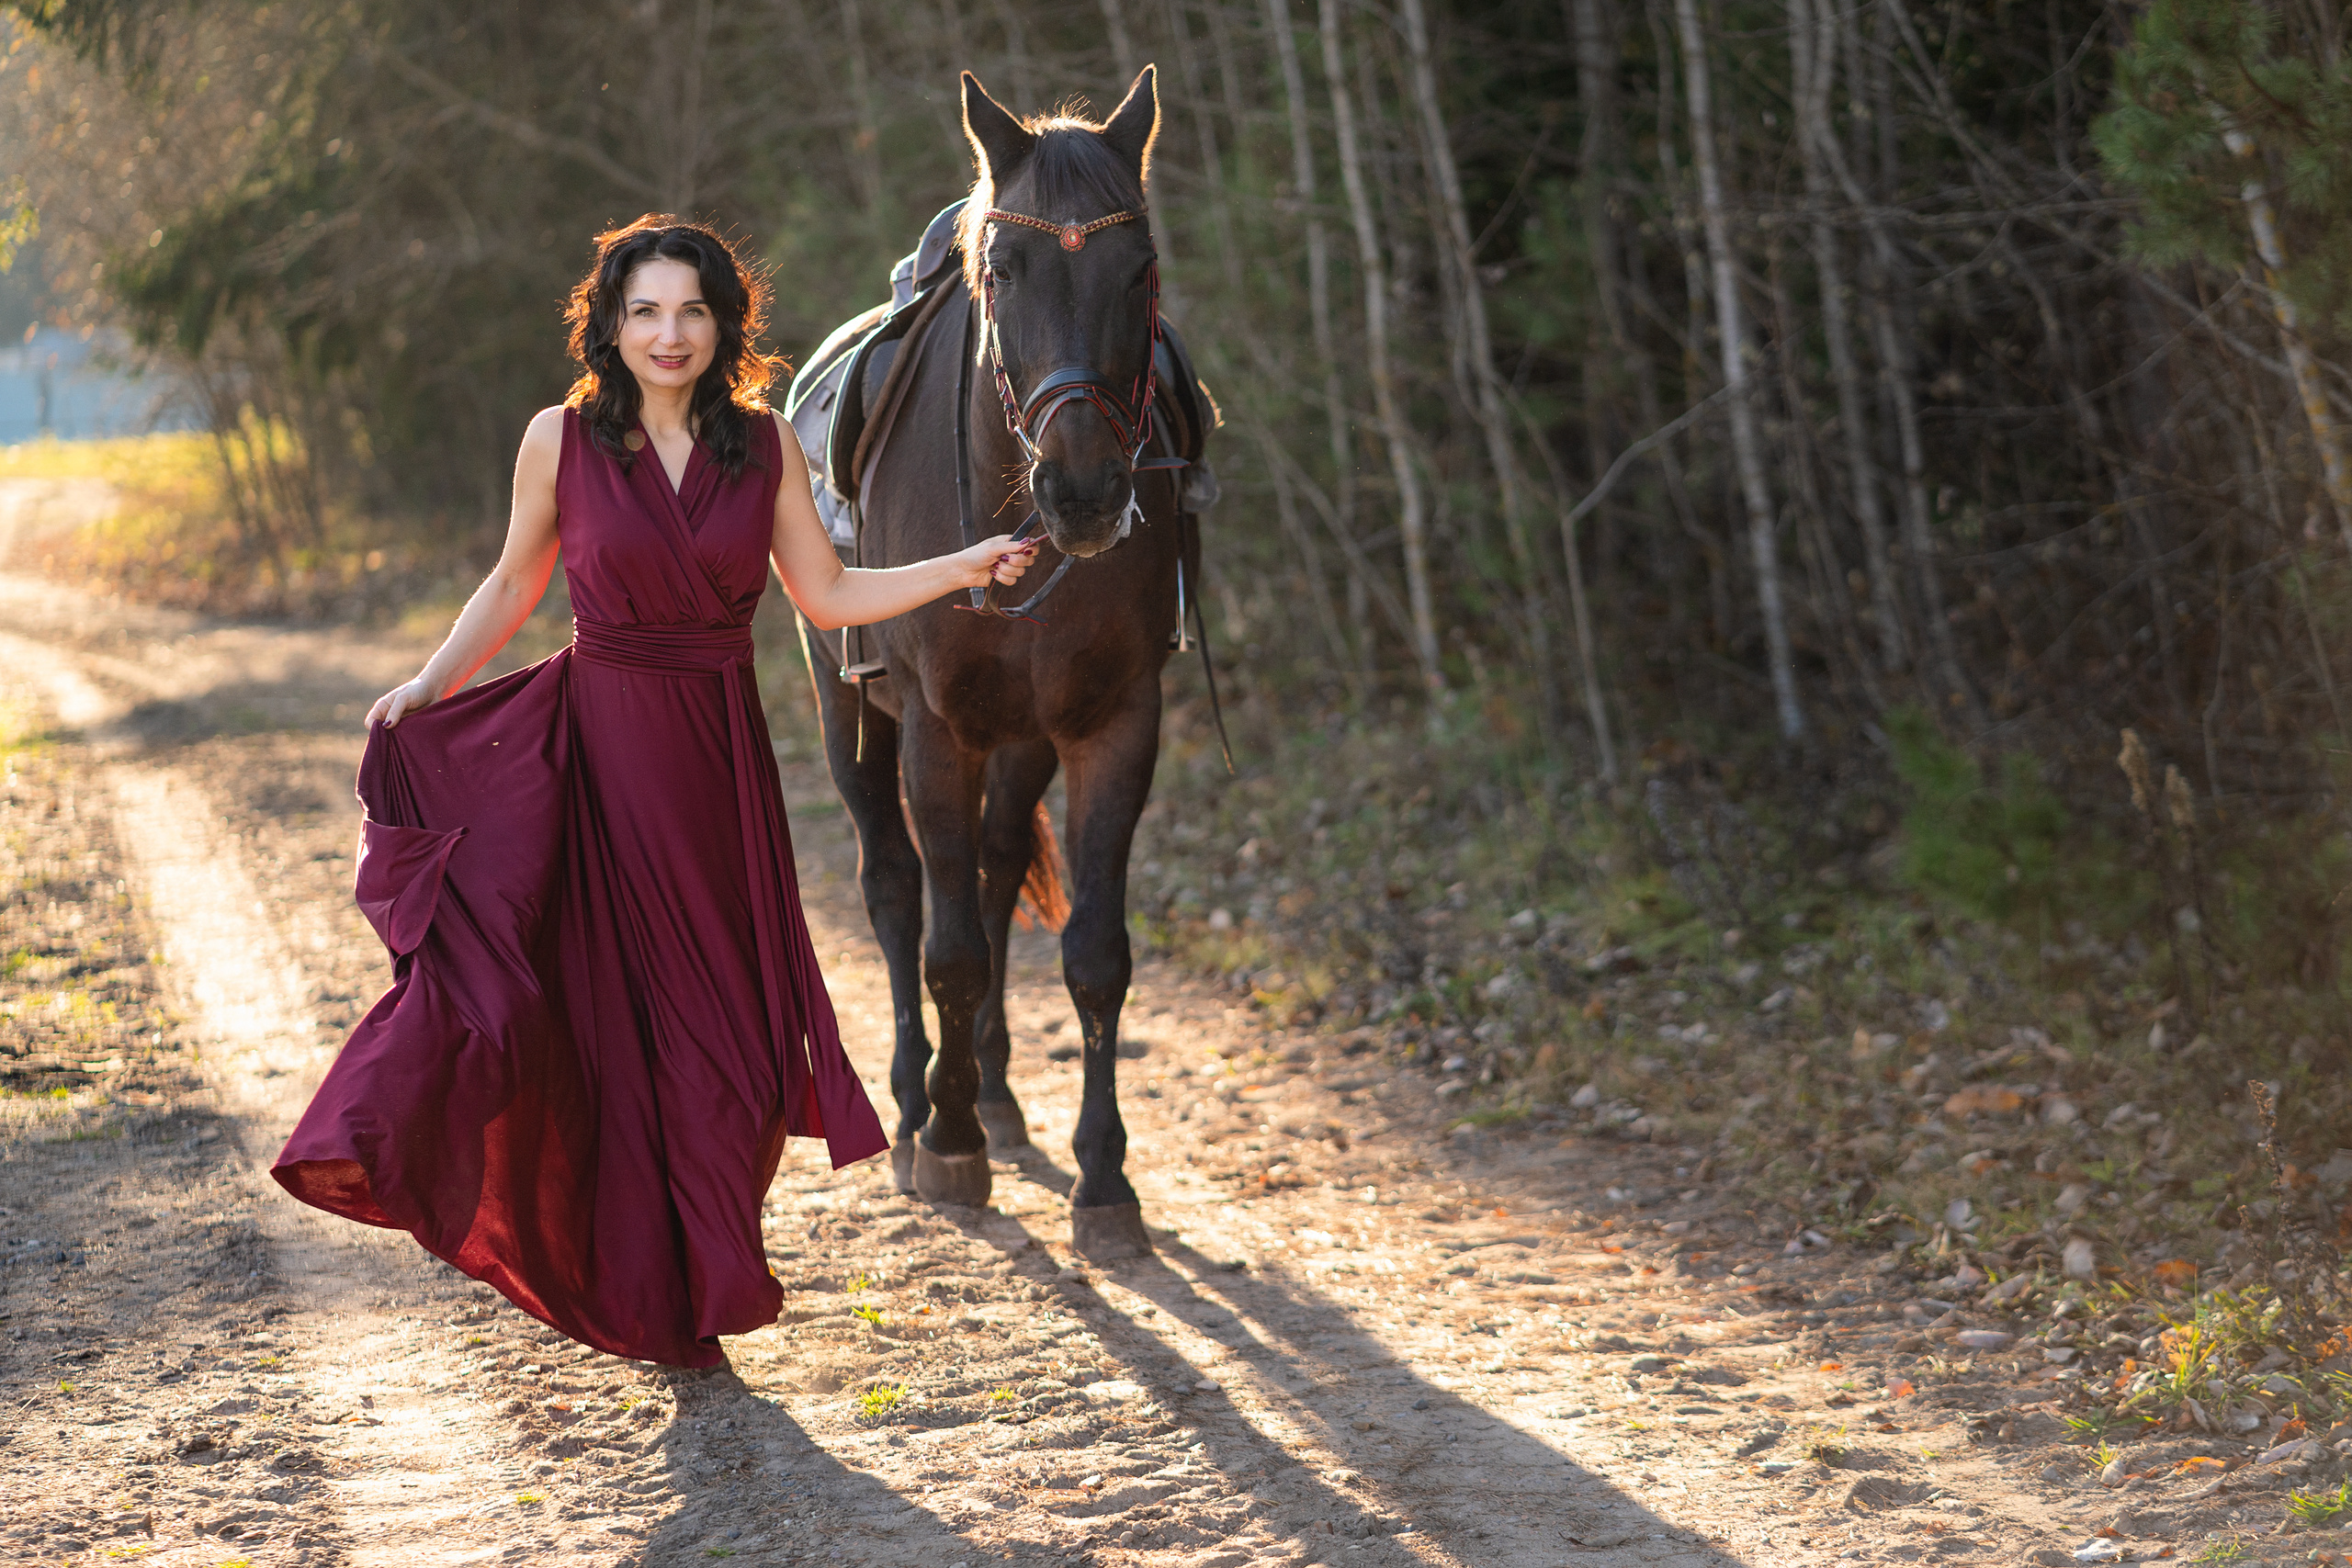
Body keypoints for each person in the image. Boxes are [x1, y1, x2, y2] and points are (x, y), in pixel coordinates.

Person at [272, 215, 1035, 1368]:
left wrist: (964, 564)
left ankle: (711, 1254)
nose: (669, 333)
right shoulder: (560, 441)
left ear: (724, 322)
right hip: (600, 759)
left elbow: (826, 595)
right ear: (610, 326)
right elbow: (515, 577)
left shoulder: (766, 445)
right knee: (616, 1035)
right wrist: (430, 684)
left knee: (731, 1043)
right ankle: (673, 1295)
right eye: (645, 312)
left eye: (691, 310)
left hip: (719, 775)